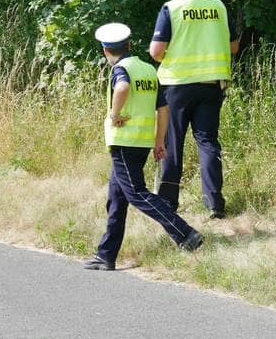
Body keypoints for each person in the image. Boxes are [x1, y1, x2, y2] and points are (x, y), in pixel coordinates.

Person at [84, 22, 204, 270]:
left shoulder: (121, 69)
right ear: (128, 45)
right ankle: (106, 255)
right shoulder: (148, 70)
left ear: (106, 50)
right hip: (141, 143)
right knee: (116, 199)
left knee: (137, 193)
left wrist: (114, 114)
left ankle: (185, 234)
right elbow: (163, 108)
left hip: (124, 142)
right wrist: (159, 141)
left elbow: (122, 88)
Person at [149, 0, 240, 218]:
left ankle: (168, 204)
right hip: (211, 86)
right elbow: (233, 47)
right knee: (208, 142)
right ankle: (215, 204)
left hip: (177, 86)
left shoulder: (172, 8)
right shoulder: (218, 6)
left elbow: (156, 52)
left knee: (172, 143)